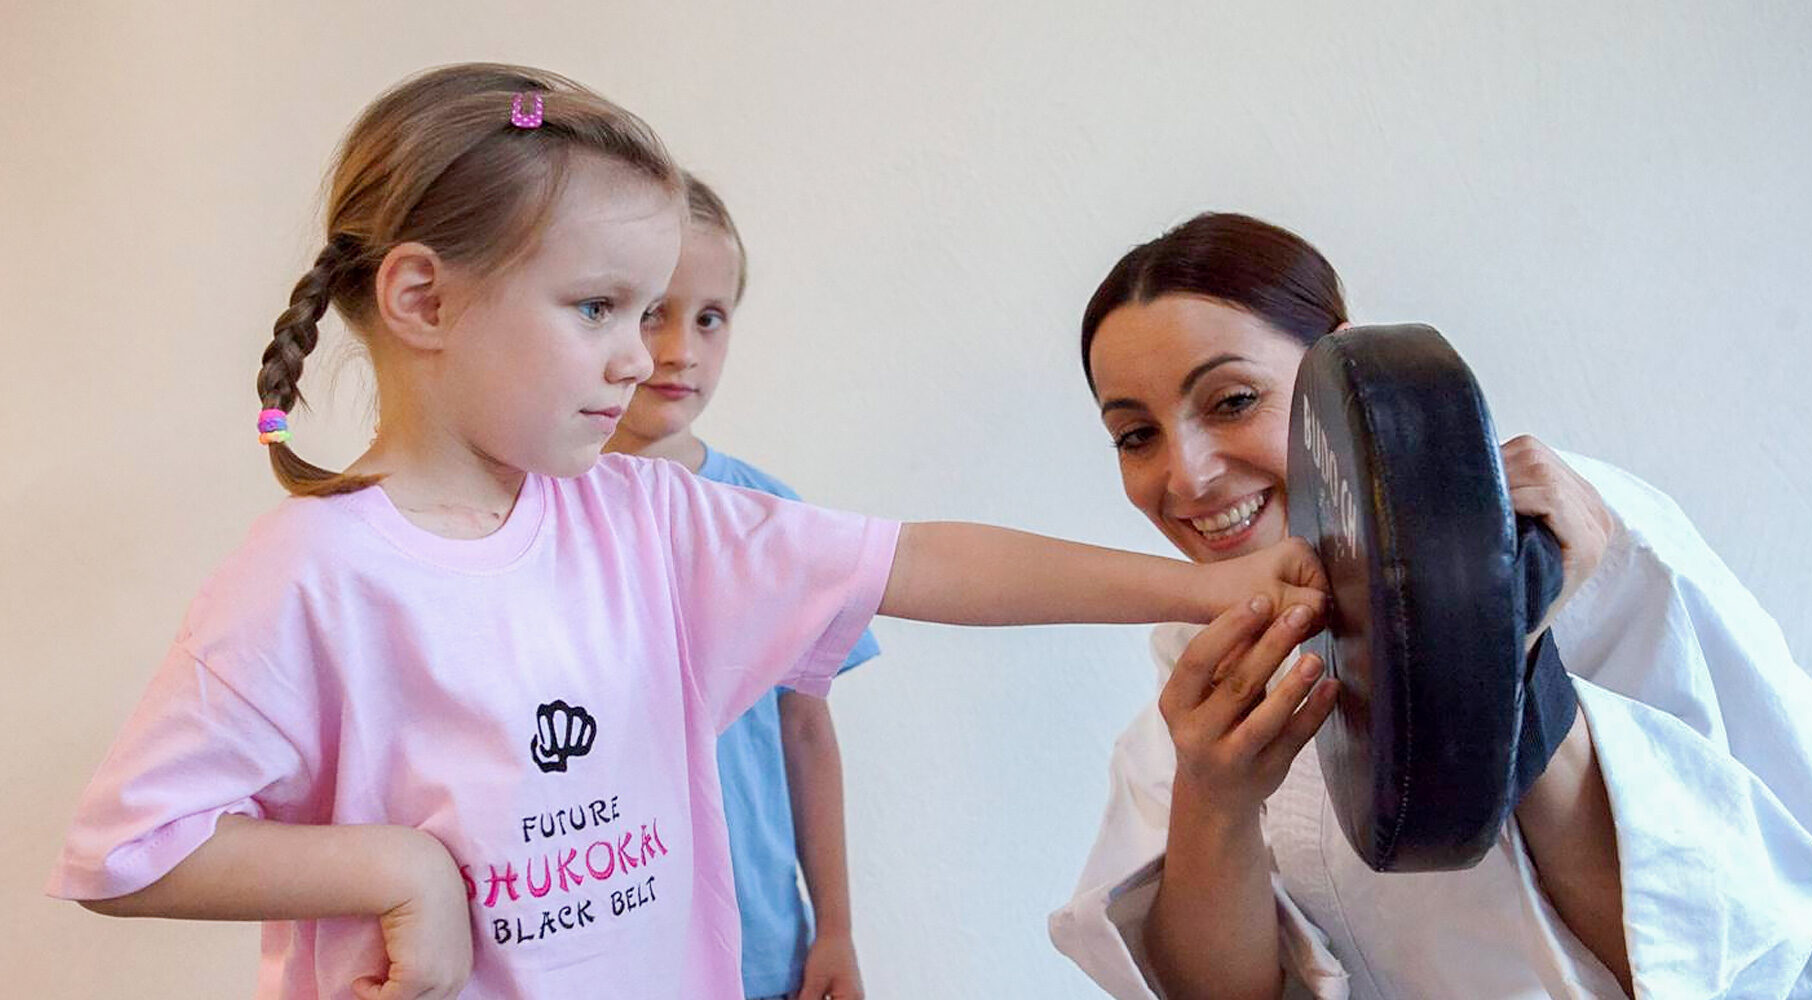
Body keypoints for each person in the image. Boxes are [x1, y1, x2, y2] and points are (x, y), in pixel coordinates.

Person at [45, 71, 1328, 1000]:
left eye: (659, 310)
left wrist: (1207, 580)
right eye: (599, 306)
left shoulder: (654, 524)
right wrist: (404, 873)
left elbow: (926, 559)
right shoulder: (306, 581)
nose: (641, 356)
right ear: (424, 297)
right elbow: (129, 849)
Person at [1048, 211, 1812, 999]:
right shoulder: (1195, 664)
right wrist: (1215, 794)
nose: (1186, 476)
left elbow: (1700, 949)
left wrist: (1490, 643)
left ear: (1337, 369)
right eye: (1136, 435)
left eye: (1233, 401)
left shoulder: (1564, 538)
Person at [603, 173, 870, 1000]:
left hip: (757, 939)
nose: (681, 349)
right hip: (591, 936)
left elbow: (806, 735)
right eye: (653, 312)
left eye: (710, 318)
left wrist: (836, 930)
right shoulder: (527, 508)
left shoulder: (767, 517)